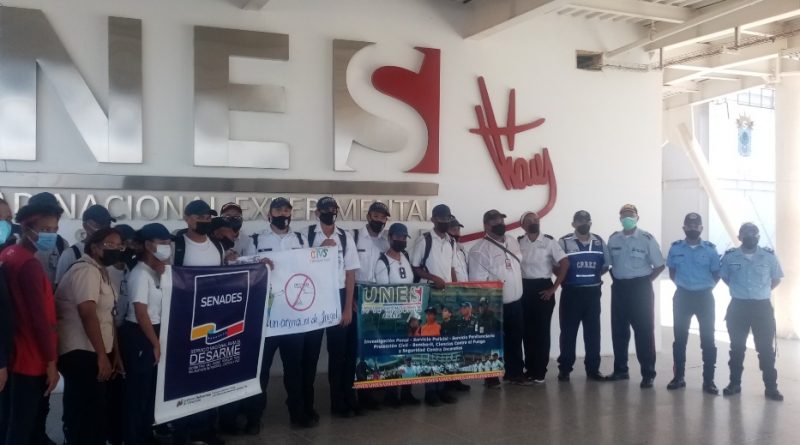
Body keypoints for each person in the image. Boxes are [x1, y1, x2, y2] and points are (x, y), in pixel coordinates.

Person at [235, 197, 314, 433]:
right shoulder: (256, 240)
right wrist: (258, 265)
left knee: (294, 370)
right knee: (261, 371)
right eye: (278, 210)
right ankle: (254, 417)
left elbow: (310, 270)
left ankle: (298, 414)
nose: (283, 213)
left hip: (293, 316)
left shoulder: (301, 239)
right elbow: (245, 271)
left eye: (287, 210)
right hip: (266, 318)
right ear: (269, 214)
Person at [54, 227, 124, 445]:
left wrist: (114, 353)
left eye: (119, 245)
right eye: (109, 244)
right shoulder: (86, 270)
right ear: (94, 247)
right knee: (83, 412)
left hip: (96, 350)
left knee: (95, 411)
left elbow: (109, 316)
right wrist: (102, 356)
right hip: (81, 352)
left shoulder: (102, 271)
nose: (115, 249)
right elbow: (87, 312)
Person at [0, 199, 61, 445]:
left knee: (10, 420)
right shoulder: (29, 265)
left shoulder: (8, 254)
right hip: (32, 357)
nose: (51, 235)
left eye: (54, 230)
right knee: (22, 425)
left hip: (16, 351)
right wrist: (51, 362)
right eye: (45, 229)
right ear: (26, 228)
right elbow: (39, 320)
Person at [170, 199, 226, 445]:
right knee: (184, 378)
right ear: (187, 218)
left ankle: (206, 429)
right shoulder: (176, 245)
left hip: (212, 323)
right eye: (199, 216)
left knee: (210, 375)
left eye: (208, 216)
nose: (204, 220)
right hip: (183, 322)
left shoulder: (217, 246)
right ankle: (182, 431)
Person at [306, 197, 361, 418]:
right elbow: (300, 266)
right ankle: (306, 407)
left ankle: (340, 401)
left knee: (339, 354)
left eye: (333, 209)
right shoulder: (306, 236)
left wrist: (347, 307)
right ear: (317, 213)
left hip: (338, 296)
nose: (330, 212)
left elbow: (350, 274)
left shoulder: (345, 237)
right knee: (310, 355)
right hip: (313, 298)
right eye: (326, 209)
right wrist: (320, 250)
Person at [719, 223, 784, 401]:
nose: (750, 236)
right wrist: (740, 291)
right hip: (738, 307)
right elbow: (725, 277)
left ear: (758, 237)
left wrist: (760, 293)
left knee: (765, 350)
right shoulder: (730, 257)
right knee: (737, 348)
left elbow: (776, 279)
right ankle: (734, 384)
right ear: (739, 237)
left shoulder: (769, 257)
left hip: (762, 308)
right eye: (746, 233)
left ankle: (771, 388)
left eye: (753, 233)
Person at [119, 223, 171, 445]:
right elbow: (141, 312)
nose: (167, 246)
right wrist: (155, 344)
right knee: (137, 392)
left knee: (150, 391)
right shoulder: (140, 273)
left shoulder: (157, 271)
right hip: (140, 334)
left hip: (154, 331)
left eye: (168, 242)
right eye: (162, 242)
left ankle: (146, 434)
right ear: (148, 245)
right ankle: (133, 438)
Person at [607, 204, 665, 388]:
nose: (627, 218)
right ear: (620, 218)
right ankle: (620, 370)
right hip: (619, 288)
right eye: (624, 215)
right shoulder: (613, 239)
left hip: (641, 289)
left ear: (637, 218)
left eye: (630, 215)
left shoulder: (647, 239)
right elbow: (609, 264)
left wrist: (645, 282)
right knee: (619, 331)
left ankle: (648, 373)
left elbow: (659, 265)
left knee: (644, 331)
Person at [468, 210, 527, 387]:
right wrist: (486, 306)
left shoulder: (512, 241)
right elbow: (477, 282)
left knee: (515, 339)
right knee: (492, 341)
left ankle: (514, 373)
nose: (500, 223)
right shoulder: (479, 250)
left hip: (516, 301)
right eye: (495, 221)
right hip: (494, 305)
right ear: (486, 225)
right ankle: (491, 377)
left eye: (501, 220)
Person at [665, 213, 720, 394]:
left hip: (704, 298)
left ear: (701, 228)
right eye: (689, 226)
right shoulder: (675, 248)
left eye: (696, 226)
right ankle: (678, 377)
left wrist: (703, 286)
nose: (693, 228)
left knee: (708, 340)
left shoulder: (711, 250)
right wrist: (685, 286)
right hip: (683, 297)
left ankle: (709, 381)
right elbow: (672, 272)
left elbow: (716, 274)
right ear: (684, 228)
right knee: (680, 340)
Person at [556, 210, 612, 382]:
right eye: (580, 221)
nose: (583, 224)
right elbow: (555, 266)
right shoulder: (563, 242)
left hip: (593, 294)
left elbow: (606, 265)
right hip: (571, 293)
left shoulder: (599, 241)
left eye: (586, 221)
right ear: (573, 224)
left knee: (593, 333)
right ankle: (565, 369)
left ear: (590, 223)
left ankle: (593, 370)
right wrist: (566, 279)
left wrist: (592, 278)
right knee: (568, 333)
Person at [373, 223, 421, 408]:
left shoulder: (406, 257)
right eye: (398, 237)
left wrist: (413, 315)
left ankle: (407, 392)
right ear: (390, 238)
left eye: (403, 238)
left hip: (409, 316)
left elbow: (412, 288)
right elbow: (384, 293)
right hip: (391, 317)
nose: (401, 240)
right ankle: (391, 394)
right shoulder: (382, 262)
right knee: (392, 355)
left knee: (408, 355)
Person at [517, 211, 568, 383]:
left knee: (541, 332)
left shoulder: (549, 241)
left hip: (543, 288)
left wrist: (553, 288)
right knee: (526, 332)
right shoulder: (518, 242)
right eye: (529, 220)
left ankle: (540, 371)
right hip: (524, 288)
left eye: (536, 219)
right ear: (523, 225)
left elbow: (565, 263)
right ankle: (529, 368)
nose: (534, 222)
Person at [55, 204, 116, 285]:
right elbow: (60, 286)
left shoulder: (113, 251)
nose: (104, 230)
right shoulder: (70, 254)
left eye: (107, 226)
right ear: (85, 226)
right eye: (98, 225)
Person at [354, 202, 391, 284]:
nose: (379, 220)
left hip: (380, 288)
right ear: (368, 217)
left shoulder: (388, 240)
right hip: (359, 287)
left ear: (386, 220)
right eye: (376, 216)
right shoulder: (354, 236)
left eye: (383, 217)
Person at [448, 217, 468, 282]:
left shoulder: (462, 250)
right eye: (453, 230)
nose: (457, 233)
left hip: (466, 286)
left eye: (458, 229)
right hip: (452, 287)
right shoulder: (443, 251)